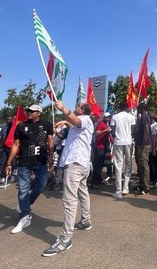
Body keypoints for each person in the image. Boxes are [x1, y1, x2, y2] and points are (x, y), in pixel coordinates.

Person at [42, 101, 94, 257]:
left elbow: (77, 121)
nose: (76, 106)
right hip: (81, 164)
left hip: (75, 164)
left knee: (69, 200)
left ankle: (65, 239)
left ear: (82, 110)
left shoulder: (84, 119)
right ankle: (85, 220)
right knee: (82, 192)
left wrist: (64, 109)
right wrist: (65, 121)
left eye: (78, 105)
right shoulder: (84, 123)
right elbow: (75, 125)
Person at [5, 105, 54, 234]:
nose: (29, 113)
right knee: (23, 190)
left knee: (42, 184)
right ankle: (24, 216)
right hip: (24, 163)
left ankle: (25, 204)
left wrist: (51, 157)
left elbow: (50, 142)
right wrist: (9, 162)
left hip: (41, 161)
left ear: (39, 113)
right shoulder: (21, 126)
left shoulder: (47, 124)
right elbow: (16, 144)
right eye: (28, 111)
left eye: (32, 111)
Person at [110, 101, 136, 199]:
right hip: (128, 142)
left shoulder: (115, 117)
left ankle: (118, 191)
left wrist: (116, 136)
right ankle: (126, 188)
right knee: (128, 164)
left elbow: (112, 131)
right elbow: (133, 130)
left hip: (118, 142)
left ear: (119, 108)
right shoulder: (131, 117)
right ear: (127, 108)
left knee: (118, 166)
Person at [91, 112, 112, 189]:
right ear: (103, 117)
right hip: (99, 147)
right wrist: (105, 130)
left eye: (109, 117)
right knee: (97, 165)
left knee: (101, 165)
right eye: (106, 117)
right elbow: (97, 133)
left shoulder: (106, 124)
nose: (108, 118)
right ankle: (93, 182)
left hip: (104, 146)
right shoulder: (100, 124)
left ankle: (99, 179)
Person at [134, 102, 152, 195]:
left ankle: (146, 187)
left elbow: (146, 130)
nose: (137, 109)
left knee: (144, 165)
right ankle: (142, 184)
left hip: (143, 145)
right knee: (140, 164)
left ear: (141, 108)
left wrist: (143, 144)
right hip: (140, 143)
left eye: (138, 108)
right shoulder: (142, 116)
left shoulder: (144, 117)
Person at [0, 116, 14, 186]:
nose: (8, 120)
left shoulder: (14, 128)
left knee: (11, 163)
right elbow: (2, 137)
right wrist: (1, 146)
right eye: (7, 119)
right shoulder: (4, 127)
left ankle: (9, 177)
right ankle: (2, 176)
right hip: (5, 147)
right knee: (2, 162)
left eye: (10, 119)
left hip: (12, 148)